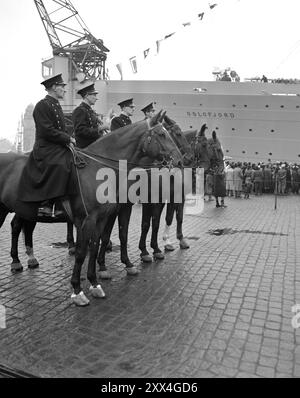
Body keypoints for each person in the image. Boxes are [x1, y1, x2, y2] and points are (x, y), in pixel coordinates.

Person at [18, 74, 77, 216]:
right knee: (61, 164)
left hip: (56, 145)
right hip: (45, 147)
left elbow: (61, 128)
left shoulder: (56, 105)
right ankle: (46, 204)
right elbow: (46, 130)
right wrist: (67, 138)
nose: (64, 89)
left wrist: (70, 137)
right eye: (62, 86)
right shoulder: (42, 105)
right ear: (54, 87)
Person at [72, 82, 111, 149]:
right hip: (87, 148)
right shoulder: (80, 110)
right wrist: (100, 128)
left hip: (94, 145)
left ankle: (124, 160)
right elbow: (80, 131)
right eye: (94, 95)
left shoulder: (90, 110)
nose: (96, 98)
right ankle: (123, 160)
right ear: (87, 95)